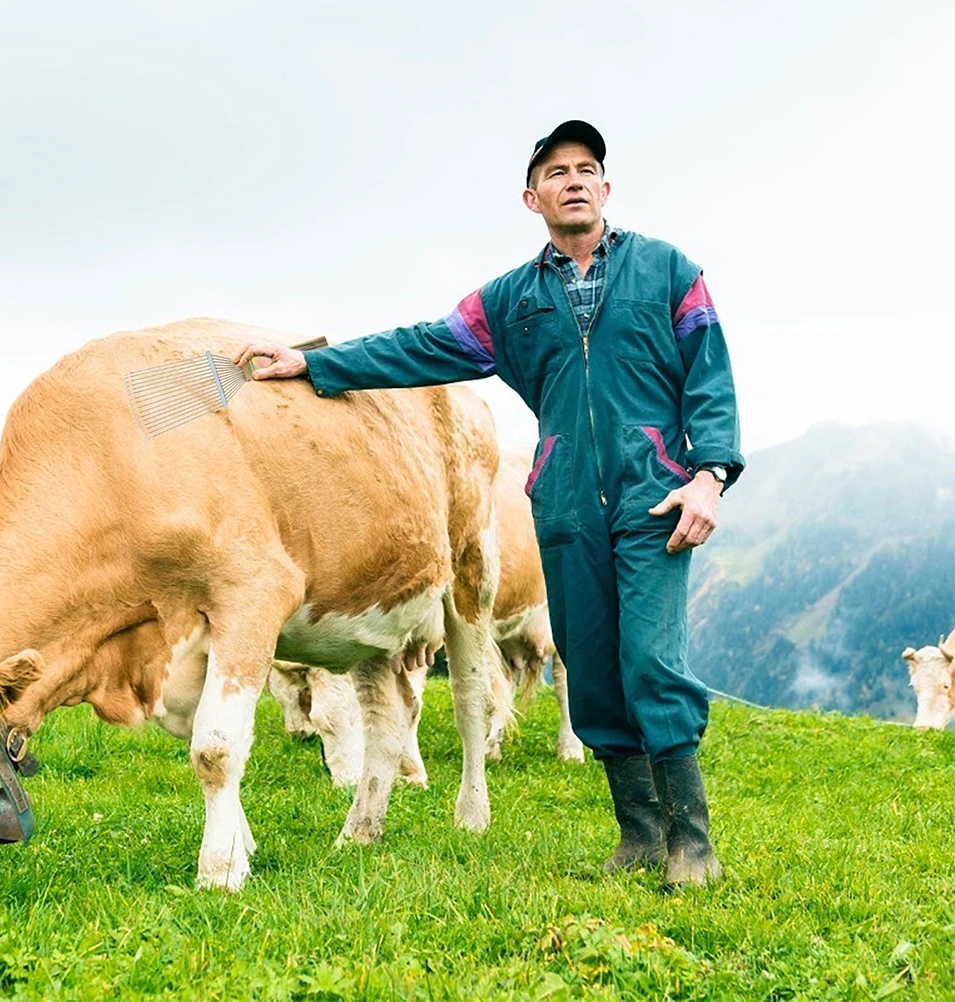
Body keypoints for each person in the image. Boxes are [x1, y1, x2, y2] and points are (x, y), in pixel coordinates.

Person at [234, 120, 744, 888]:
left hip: (656, 499)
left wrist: (709, 475)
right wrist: (315, 362)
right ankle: (639, 834)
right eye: (556, 172)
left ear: (606, 188)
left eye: (587, 169)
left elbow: (709, 370)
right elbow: (422, 345)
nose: (573, 180)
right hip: (565, 508)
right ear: (531, 197)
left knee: (650, 660)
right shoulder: (511, 300)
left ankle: (691, 843)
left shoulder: (669, 271)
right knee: (595, 668)